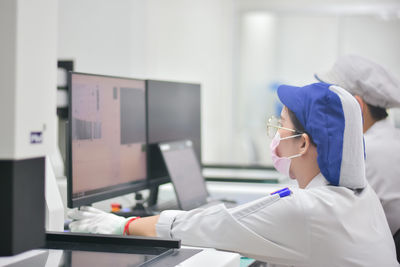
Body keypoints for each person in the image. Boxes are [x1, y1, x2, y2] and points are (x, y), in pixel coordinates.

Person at [69, 83, 398, 266]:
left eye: (280, 125)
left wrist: (120, 224)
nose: (275, 135)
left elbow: (206, 226)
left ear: (303, 144)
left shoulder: (307, 210)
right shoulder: (360, 196)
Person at [315, 54, 400, 237]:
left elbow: (330, 222)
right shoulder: (390, 139)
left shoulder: (363, 153)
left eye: (330, 100)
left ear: (357, 106)